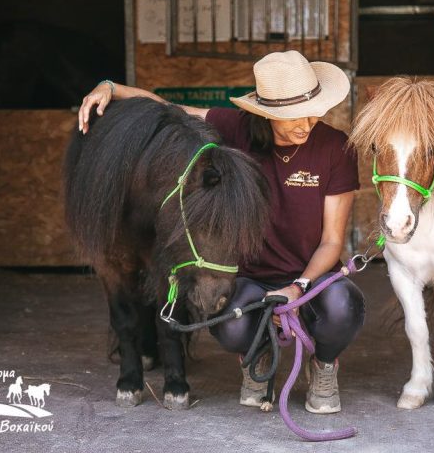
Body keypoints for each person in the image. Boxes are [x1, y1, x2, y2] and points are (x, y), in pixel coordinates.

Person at [78, 50, 365, 414]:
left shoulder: (335, 148)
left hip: (311, 276)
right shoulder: (235, 129)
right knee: (228, 320)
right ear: (266, 113)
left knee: (345, 308)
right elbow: (166, 108)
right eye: (292, 116)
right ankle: (256, 357)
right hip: (252, 278)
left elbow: (332, 241)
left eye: (313, 111)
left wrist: (298, 286)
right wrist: (110, 87)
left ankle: (324, 365)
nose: (306, 124)